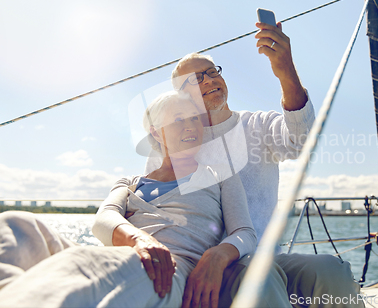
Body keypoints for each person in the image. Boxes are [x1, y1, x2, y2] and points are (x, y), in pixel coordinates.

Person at [143, 22, 364, 307]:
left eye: (212, 72)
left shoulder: (257, 124)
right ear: (181, 96)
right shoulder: (170, 146)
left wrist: (286, 71)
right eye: (197, 78)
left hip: (265, 257)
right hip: (201, 267)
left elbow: (302, 139)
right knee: (258, 279)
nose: (210, 80)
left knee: (335, 272)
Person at [0, 91, 290, 307]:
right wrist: (138, 240)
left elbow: (245, 232)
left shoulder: (221, 176)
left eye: (194, 119)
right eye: (179, 120)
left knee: (87, 266)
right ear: (156, 132)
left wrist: (217, 254)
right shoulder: (130, 183)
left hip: (167, 271)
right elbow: (103, 220)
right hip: (127, 252)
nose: (191, 126)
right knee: (15, 224)